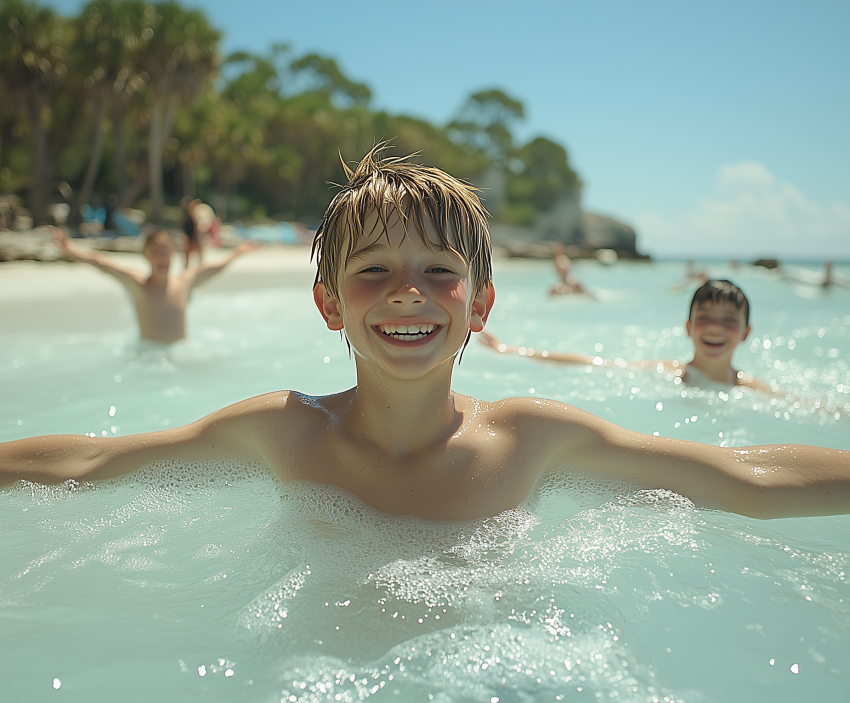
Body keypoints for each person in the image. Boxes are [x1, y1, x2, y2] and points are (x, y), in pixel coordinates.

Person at [4, 145, 848, 521]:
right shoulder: (285, 432)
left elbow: (748, 472)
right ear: (330, 304)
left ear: (479, 306)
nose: (408, 292)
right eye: (372, 270)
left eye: (440, 271)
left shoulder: (530, 441)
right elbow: (92, 461)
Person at [480, 279, 770, 391]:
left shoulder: (752, 389)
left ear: (745, 333)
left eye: (728, 321)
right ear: (688, 327)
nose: (715, 327)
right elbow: (592, 363)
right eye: (704, 317)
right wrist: (511, 349)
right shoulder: (667, 372)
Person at [53, 227, 259, 343]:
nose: (162, 256)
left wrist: (237, 252)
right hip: (149, 356)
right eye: (156, 252)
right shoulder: (139, 284)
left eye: (166, 251)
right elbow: (103, 263)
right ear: (146, 256)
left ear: (173, 253)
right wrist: (71, 250)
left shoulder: (184, 283)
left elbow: (213, 268)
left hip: (180, 352)